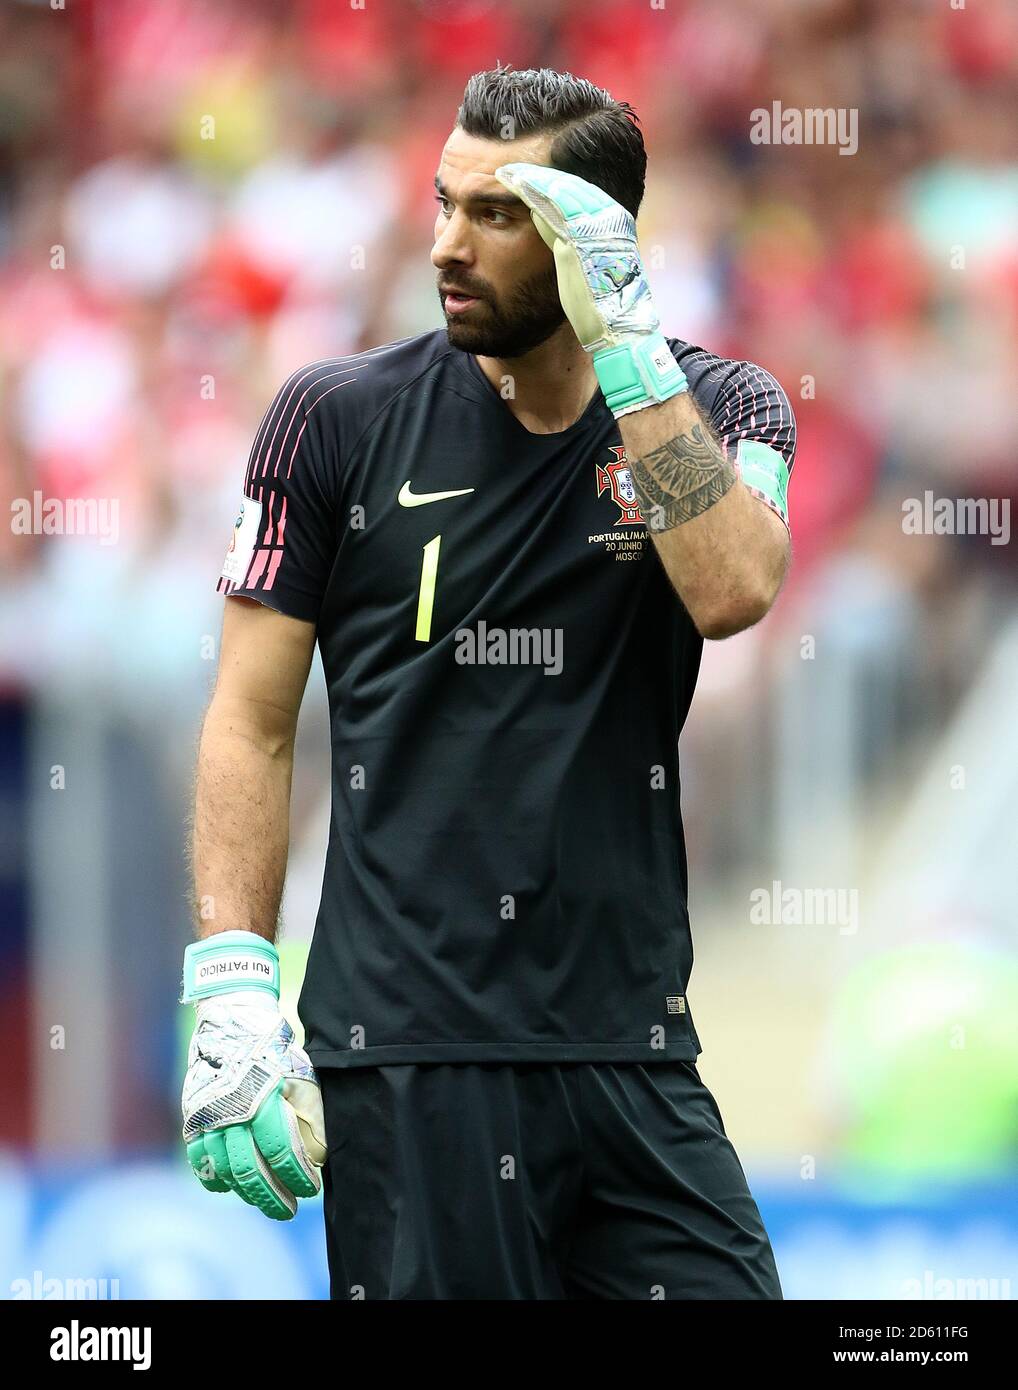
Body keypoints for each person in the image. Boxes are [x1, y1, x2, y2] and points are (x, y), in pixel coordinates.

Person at [182, 65, 795, 1300]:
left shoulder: (723, 405)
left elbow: (731, 591)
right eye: (443, 203)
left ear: (596, 240)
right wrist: (233, 979)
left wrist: (626, 349)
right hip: (411, 1054)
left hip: (631, 1045)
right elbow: (250, 722)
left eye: (498, 216)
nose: (448, 246)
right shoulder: (334, 419)